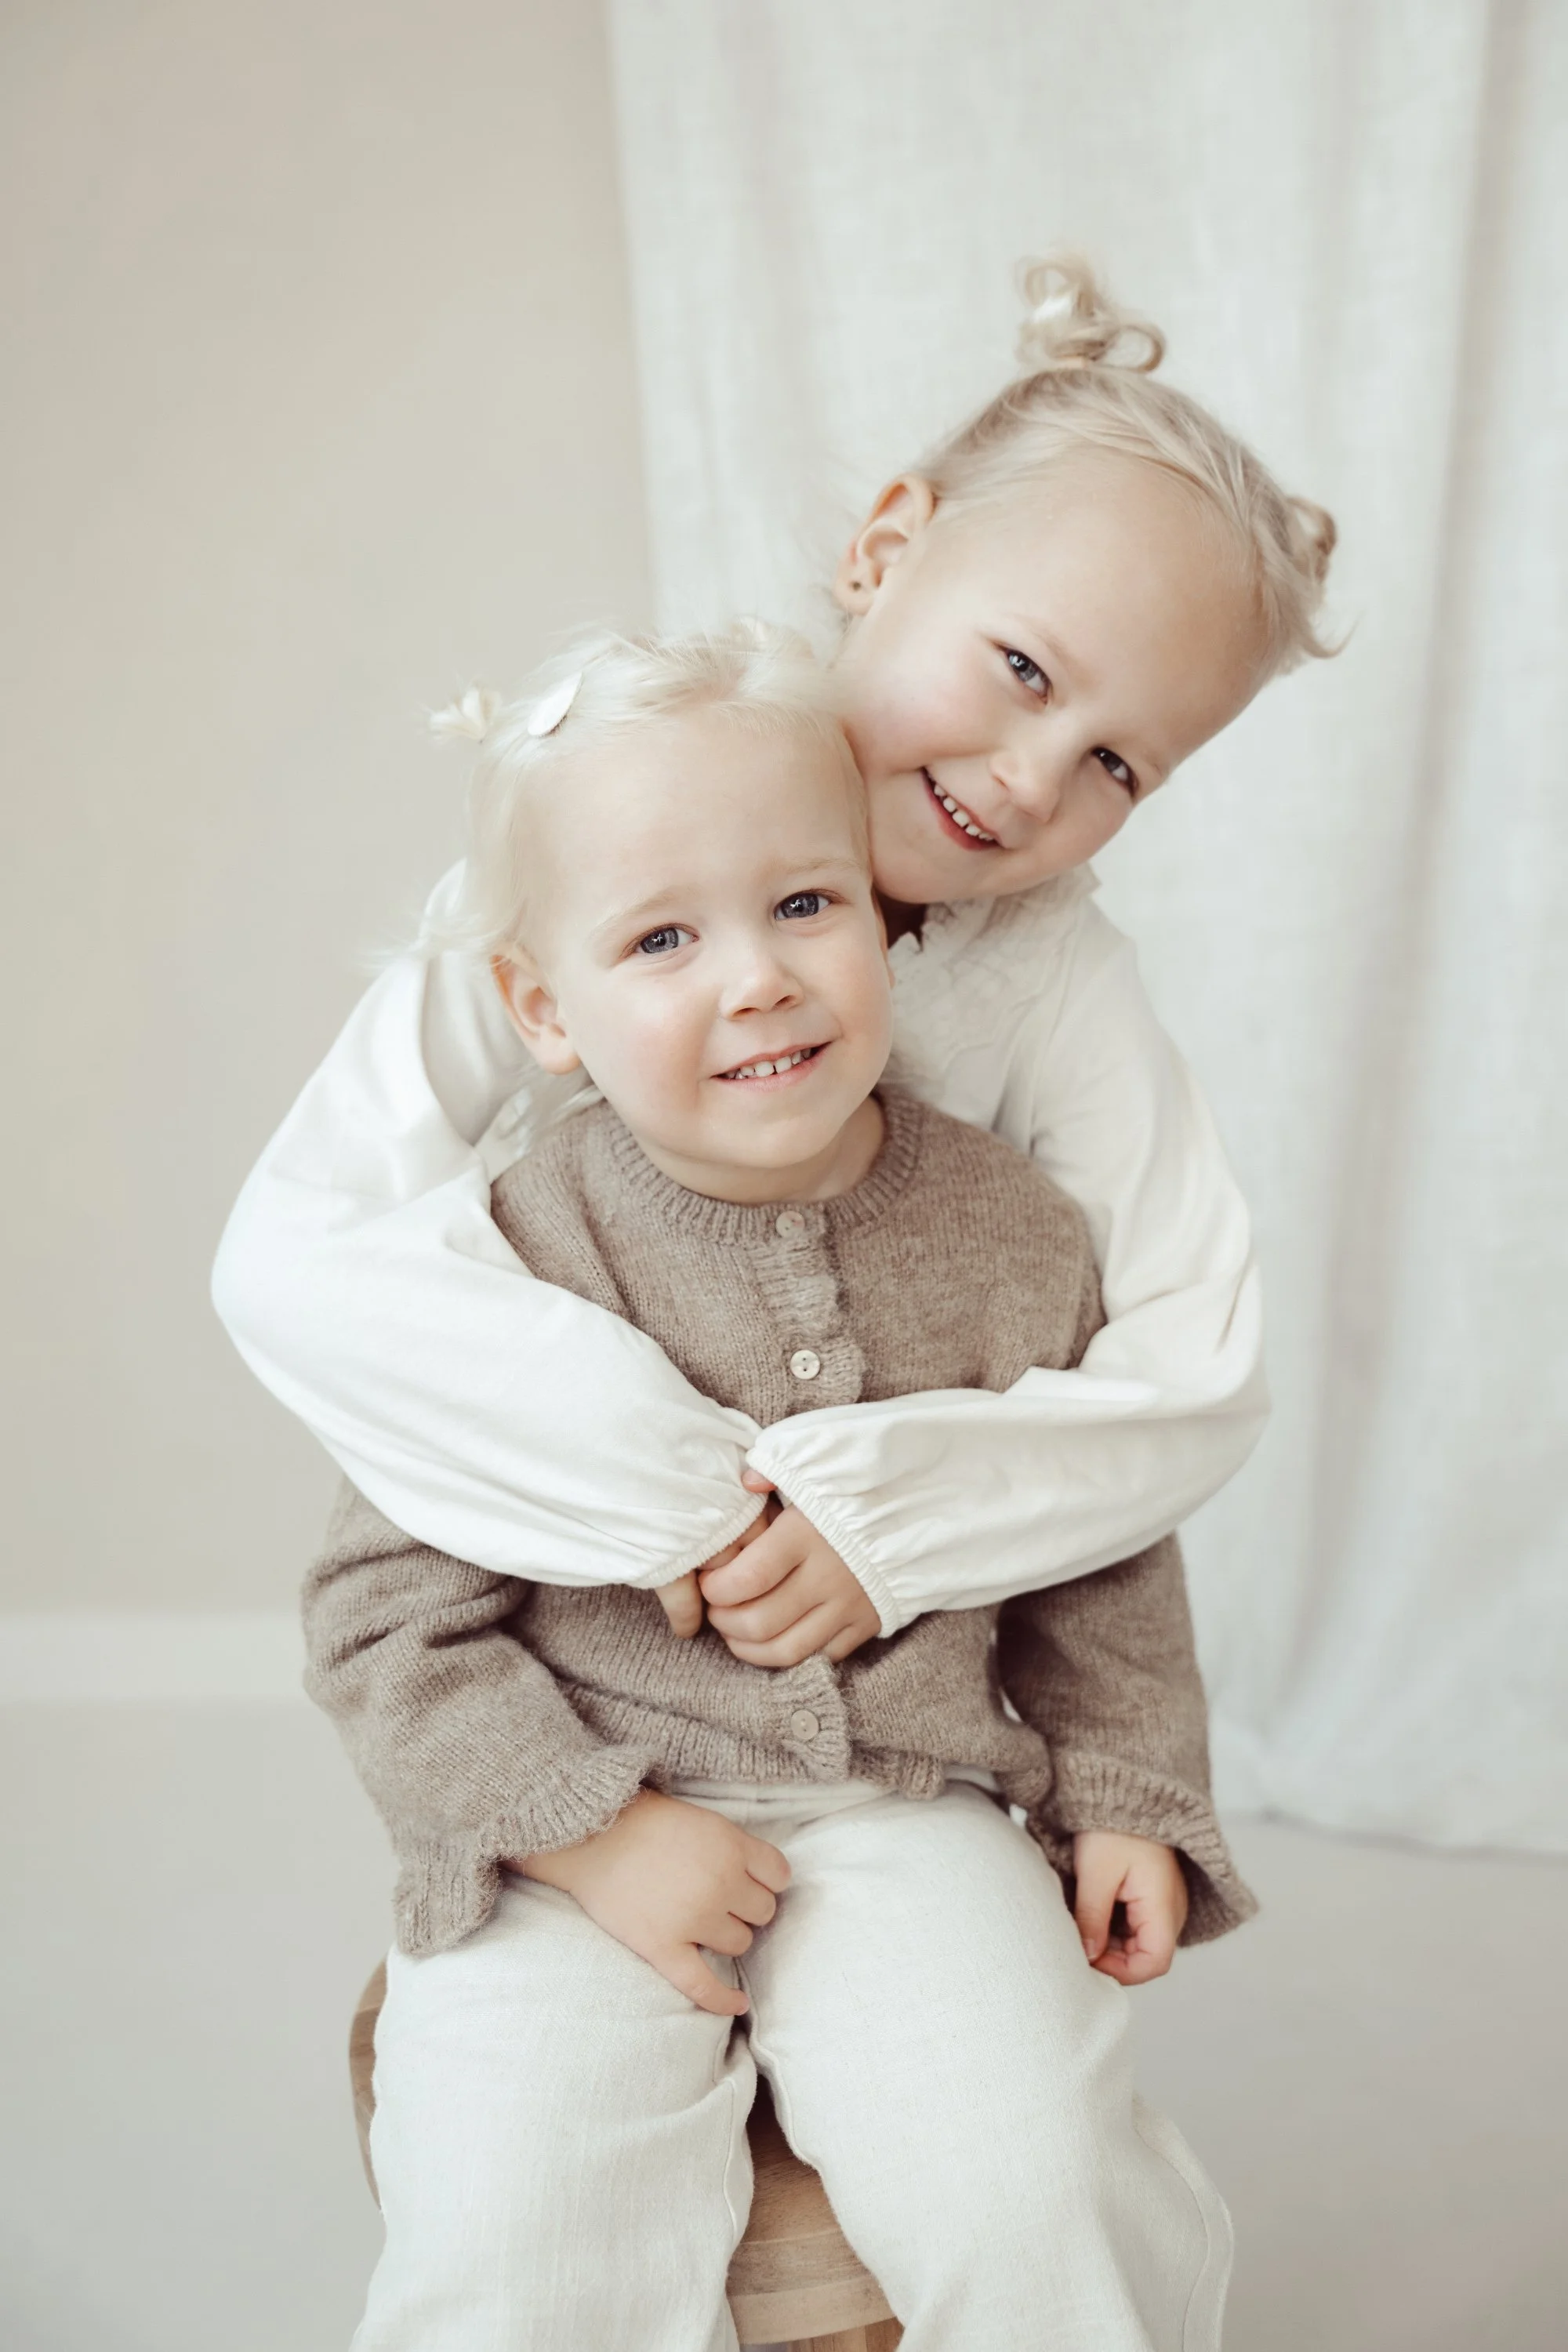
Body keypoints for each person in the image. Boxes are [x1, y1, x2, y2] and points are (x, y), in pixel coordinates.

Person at [306, 625, 1254, 2349]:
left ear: (882, 917)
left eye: (804, 906)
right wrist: (586, 1828)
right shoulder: (509, 1260)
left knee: (1031, 2176)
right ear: (545, 1009)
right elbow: (382, 1619)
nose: (755, 979)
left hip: (903, 1807)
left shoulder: (1007, 1232)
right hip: (564, 1846)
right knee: (512, 2224)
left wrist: (1127, 1789)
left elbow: (1089, 1536)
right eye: (662, 938)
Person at [212, 257, 1338, 1659]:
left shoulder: (1057, 975)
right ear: (884, 553)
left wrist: (884, 1522)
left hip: (868, 1658)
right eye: (1027, 672)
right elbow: (301, 1244)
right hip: (570, 1604)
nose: (1038, 780)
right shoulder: (618, 814)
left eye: (1115, 761)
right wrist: (682, 1488)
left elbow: (1196, 1371)